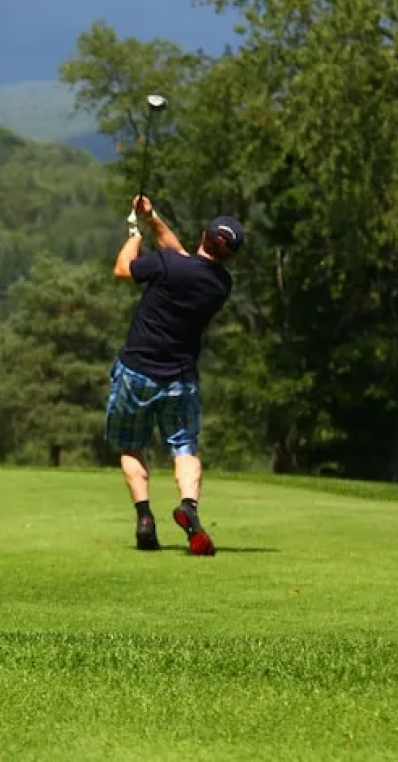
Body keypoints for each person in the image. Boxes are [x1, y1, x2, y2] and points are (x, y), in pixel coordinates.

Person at [106, 196, 243, 556]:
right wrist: (153, 218)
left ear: (204, 235)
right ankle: (189, 507)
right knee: (184, 448)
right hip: (180, 378)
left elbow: (123, 269)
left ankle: (145, 517)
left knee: (132, 445)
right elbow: (181, 256)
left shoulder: (169, 264)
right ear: (229, 254)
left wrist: (135, 230)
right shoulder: (219, 284)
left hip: (136, 370)